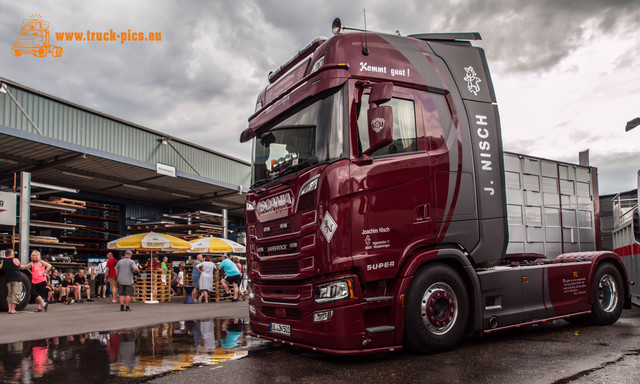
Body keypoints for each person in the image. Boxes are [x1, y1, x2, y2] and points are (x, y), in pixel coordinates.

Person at [2, 249, 22, 314]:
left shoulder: (3, 261)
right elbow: (20, 266)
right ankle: (13, 310)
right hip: (16, 278)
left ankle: (9, 309)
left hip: (8, 279)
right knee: (16, 293)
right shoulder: (15, 259)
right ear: (11, 254)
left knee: (9, 294)